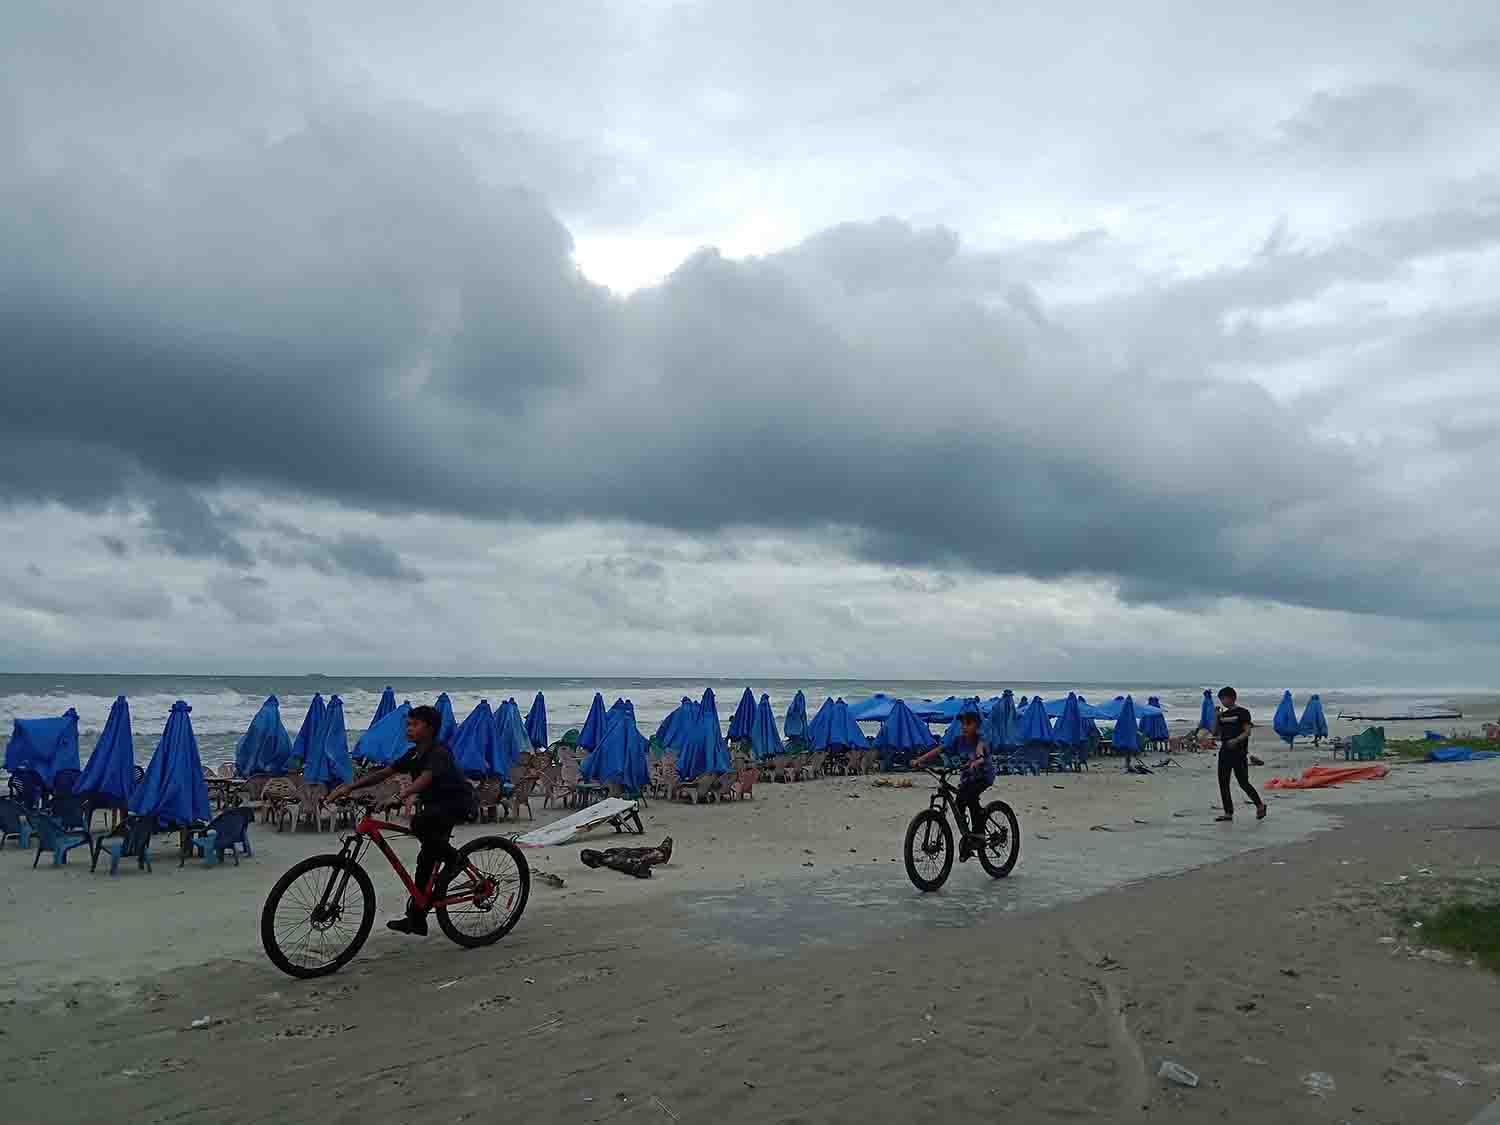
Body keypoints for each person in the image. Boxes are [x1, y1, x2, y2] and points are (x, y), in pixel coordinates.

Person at [327, 704, 473, 936]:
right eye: (408, 724)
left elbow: (425, 778)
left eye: (415, 724)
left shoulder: (439, 752)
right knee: (425, 860)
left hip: (455, 804)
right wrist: (350, 787)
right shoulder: (413, 753)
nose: (409, 728)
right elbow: (385, 773)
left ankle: (456, 860)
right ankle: (416, 919)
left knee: (420, 824)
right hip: (434, 806)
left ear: (430, 728)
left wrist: (399, 796)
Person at [911, 704, 993, 859]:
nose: (964, 727)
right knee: (959, 803)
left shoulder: (980, 740)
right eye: (963, 724)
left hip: (983, 776)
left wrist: (978, 760)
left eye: (968, 723)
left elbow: (980, 752)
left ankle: (979, 835)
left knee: (969, 797)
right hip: (968, 777)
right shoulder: (958, 741)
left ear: (977, 726)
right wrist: (919, 760)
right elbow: (940, 749)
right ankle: (968, 839)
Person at [1213, 686, 1266, 822]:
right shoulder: (1222, 715)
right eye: (1221, 699)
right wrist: (1216, 717)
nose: (1223, 702)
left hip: (1239, 752)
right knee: (1223, 782)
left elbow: (1247, 731)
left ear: (1233, 698)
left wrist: (1236, 740)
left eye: (1224, 698)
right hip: (1224, 752)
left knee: (1243, 782)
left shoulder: (1243, 712)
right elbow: (1216, 733)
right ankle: (1228, 813)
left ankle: (1259, 805)